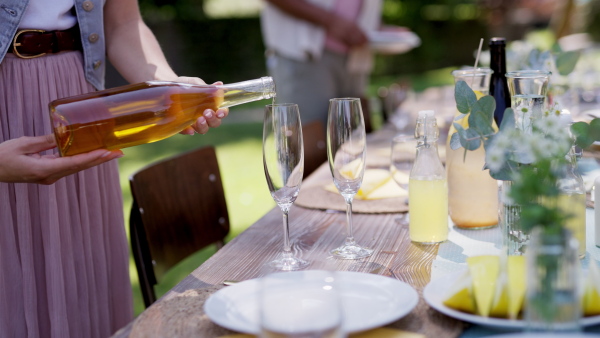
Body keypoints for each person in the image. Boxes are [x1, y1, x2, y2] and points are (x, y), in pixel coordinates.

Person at [0, 0, 227, 336]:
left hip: (82, 108)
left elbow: (121, 22)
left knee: (85, 284)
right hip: (8, 109)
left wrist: (169, 88)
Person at [260, 0, 382, 129]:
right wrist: (330, 21)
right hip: (302, 54)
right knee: (308, 141)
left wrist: (375, 28)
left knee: (355, 137)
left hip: (355, 56)